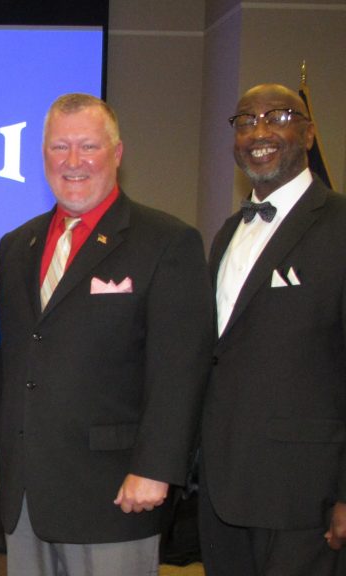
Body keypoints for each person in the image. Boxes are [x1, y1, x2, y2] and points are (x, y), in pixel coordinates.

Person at [0, 93, 213, 575]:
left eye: (88, 146)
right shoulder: (16, 246)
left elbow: (180, 370)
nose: (73, 161)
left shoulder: (167, 242)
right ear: (43, 155)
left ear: (117, 154)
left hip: (115, 493)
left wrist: (156, 468)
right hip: (26, 493)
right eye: (60, 147)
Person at [199, 83, 346, 575]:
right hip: (223, 488)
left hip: (304, 495)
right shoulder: (227, 233)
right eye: (245, 121)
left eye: (277, 117)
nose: (258, 132)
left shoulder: (340, 226)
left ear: (309, 134)